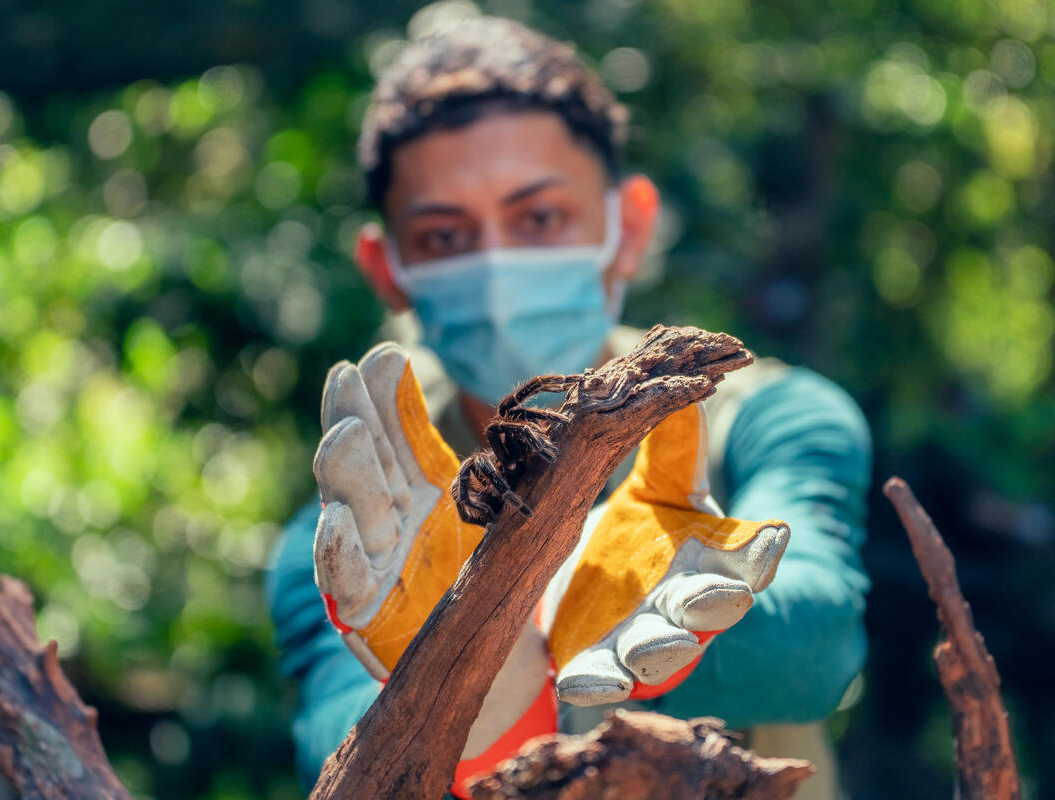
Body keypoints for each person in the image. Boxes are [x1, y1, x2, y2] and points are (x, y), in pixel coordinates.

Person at [267, 15, 871, 799]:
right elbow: (340, 748)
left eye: (540, 217)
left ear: (630, 228)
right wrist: (482, 676)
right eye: (446, 235)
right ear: (388, 269)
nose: (496, 265)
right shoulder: (355, 533)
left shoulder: (769, 417)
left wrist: (529, 607)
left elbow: (812, 647)